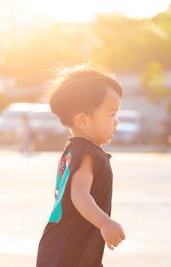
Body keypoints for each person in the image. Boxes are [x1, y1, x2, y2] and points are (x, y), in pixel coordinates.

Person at [36, 64, 126, 267]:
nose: (117, 122)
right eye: (111, 114)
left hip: (66, 249)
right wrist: (105, 222)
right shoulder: (87, 154)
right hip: (69, 254)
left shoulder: (73, 150)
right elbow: (79, 194)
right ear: (83, 120)